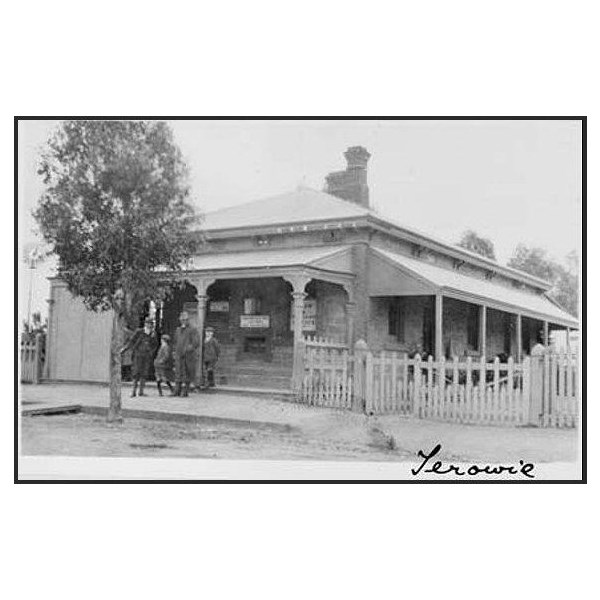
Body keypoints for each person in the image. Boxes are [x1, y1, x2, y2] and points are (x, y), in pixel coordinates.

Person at [120, 317, 158, 397]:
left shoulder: (153, 334)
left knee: (144, 373)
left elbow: (155, 345)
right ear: (145, 324)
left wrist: (151, 352)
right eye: (148, 323)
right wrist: (125, 349)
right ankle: (133, 391)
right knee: (136, 372)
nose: (149, 325)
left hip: (147, 356)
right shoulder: (139, 332)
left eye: (151, 324)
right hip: (138, 355)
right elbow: (132, 341)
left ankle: (141, 391)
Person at [173, 311, 200, 397]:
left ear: (188, 320)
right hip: (179, 355)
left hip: (188, 356)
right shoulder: (178, 330)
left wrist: (189, 348)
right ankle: (176, 390)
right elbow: (175, 341)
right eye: (182, 320)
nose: (183, 321)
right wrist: (175, 351)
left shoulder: (192, 330)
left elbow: (196, 342)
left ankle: (185, 391)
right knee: (178, 372)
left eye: (185, 320)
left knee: (186, 373)